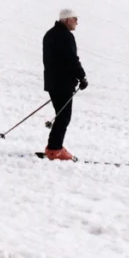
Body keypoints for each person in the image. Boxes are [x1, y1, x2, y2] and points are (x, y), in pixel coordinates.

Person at [42, 8, 88, 160]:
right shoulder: (66, 36)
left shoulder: (49, 34)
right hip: (63, 83)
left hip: (52, 82)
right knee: (64, 117)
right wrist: (82, 77)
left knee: (61, 115)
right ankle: (54, 149)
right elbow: (71, 60)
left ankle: (54, 147)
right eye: (75, 19)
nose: (77, 22)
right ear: (68, 20)